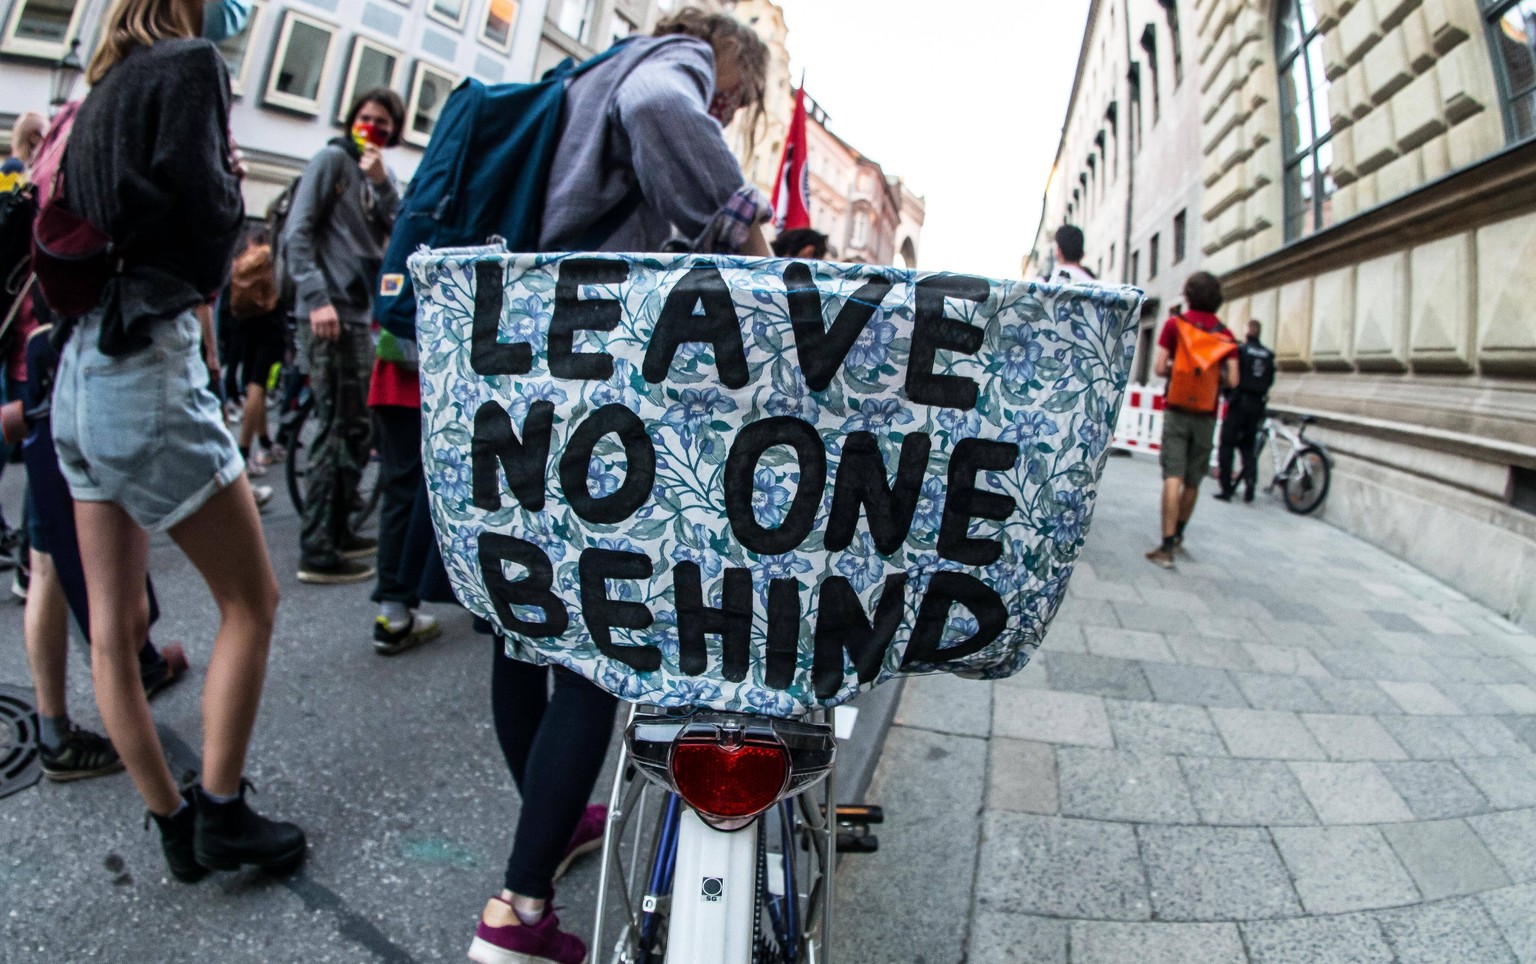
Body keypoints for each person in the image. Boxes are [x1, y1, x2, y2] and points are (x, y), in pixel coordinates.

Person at [468, 10, 772, 964]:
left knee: (529, 623)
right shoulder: (665, 64)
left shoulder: (594, 71)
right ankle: (516, 916)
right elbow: (661, 108)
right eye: (734, 95)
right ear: (722, 56)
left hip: (528, 365)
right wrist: (739, 222)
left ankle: (548, 827)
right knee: (604, 640)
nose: (724, 107)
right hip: (593, 373)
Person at [49, 0, 303, 882]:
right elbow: (205, 236)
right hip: (145, 365)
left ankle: (173, 821)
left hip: (77, 373)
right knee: (252, 600)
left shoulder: (103, 85)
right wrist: (229, 187)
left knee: (114, 634)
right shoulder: (191, 63)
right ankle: (224, 814)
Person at [17, 324, 188, 781]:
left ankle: (63, 726)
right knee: (81, 581)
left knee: (49, 564)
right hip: (54, 384)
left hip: (49, 384)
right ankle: (73, 729)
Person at [283, 88, 405, 585]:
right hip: (329, 314)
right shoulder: (331, 159)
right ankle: (318, 547)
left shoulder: (378, 176)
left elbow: (400, 232)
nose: (370, 127)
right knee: (334, 429)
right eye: (364, 117)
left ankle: (340, 529)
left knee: (355, 429)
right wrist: (316, 299)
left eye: (380, 121)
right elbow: (299, 232)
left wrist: (381, 185)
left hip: (359, 315)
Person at [1145, 271, 1238, 569]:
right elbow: (1233, 379)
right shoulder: (1225, 335)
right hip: (1207, 414)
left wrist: (1181, 369)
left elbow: (1159, 367)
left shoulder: (1175, 325)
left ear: (1187, 295)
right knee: (1193, 479)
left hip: (1177, 409)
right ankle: (1180, 534)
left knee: (1173, 474)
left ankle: (1166, 545)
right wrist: (1211, 374)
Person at [1215, 319, 1275, 503]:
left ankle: (1226, 488)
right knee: (1248, 446)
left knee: (1227, 443)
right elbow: (1269, 380)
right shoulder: (1268, 355)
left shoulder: (1241, 351)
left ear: (1249, 331)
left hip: (1239, 402)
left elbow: (1231, 373)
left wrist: (1227, 394)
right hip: (1257, 405)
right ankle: (1250, 483)